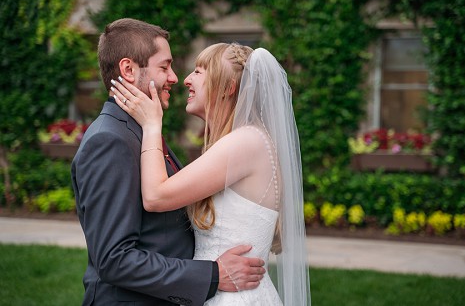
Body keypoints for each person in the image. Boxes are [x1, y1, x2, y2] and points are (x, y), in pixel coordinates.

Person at [71, 19, 265, 306]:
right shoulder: (109, 141)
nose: (175, 77)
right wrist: (212, 275)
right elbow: (114, 259)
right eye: (164, 67)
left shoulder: (139, 129)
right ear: (128, 69)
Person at [111, 42, 311, 305]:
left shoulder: (246, 142)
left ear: (227, 88)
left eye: (199, 71)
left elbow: (156, 196)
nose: (185, 80)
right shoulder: (244, 140)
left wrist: (151, 125)